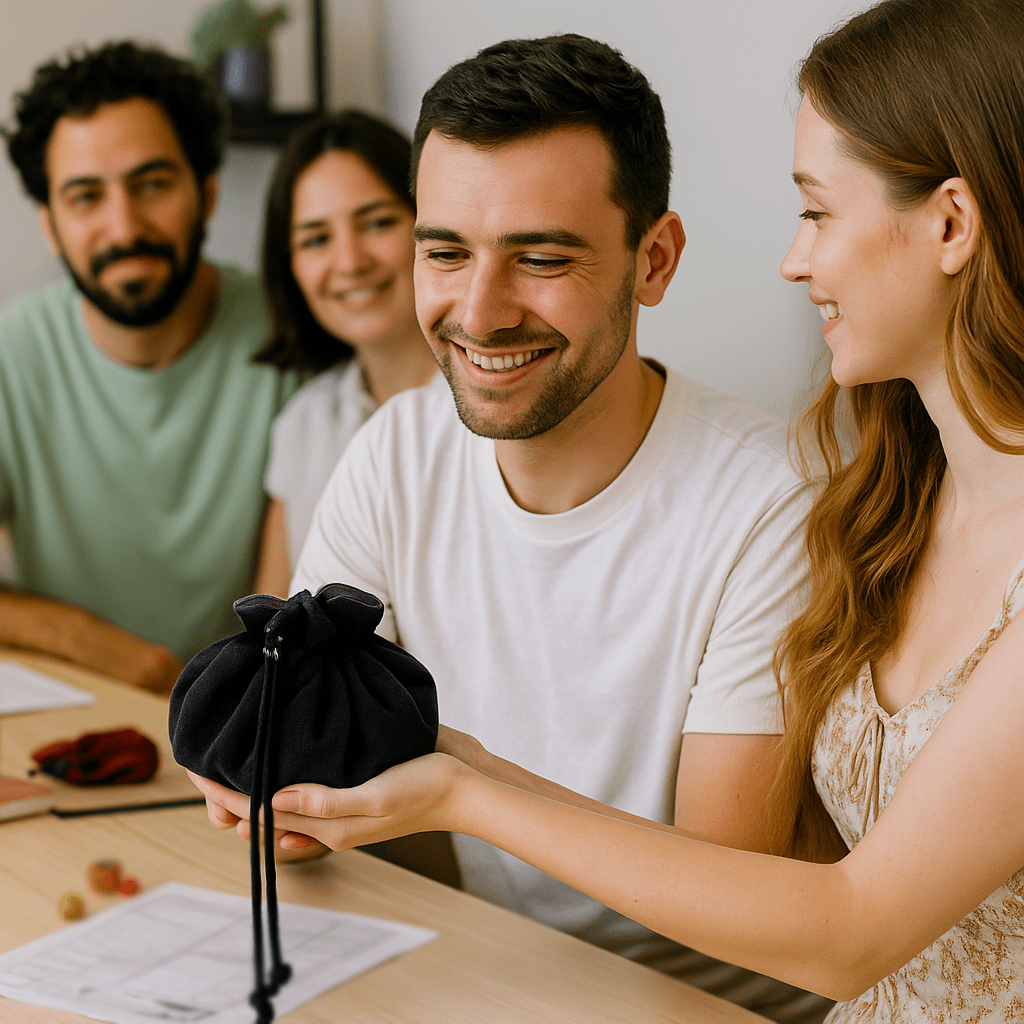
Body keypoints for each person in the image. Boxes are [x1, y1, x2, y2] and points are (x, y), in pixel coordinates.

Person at [191, 1, 1024, 1019]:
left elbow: (832, 923)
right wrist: (380, 776)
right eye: (445, 251)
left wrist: (464, 790)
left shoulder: (780, 500)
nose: (791, 261)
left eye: (816, 211)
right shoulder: (907, 495)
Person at [0, 41, 298, 691]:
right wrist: (109, 650)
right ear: (50, 225)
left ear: (207, 193)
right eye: (86, 196)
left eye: (153, 184)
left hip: (252, 711)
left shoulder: (293, 338)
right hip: (79, 706)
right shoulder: (9, 357)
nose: (124, 226)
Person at [251, 110, 436, 597]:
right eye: (316, 239)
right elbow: (272, 620)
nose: (350, 262)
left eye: (377, 223)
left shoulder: (503, 403)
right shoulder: (304, 422)